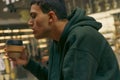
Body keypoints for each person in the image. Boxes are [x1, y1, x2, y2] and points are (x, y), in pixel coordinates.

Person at [7, 0, 120, 80]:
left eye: (33, 16)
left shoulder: (81, 37)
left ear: (51, 17)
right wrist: (28, 63)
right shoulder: (57, 42)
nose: (29, 22)